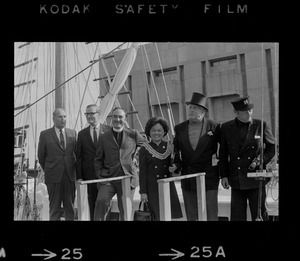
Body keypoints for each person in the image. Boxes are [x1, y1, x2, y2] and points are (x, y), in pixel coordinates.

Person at [219, 96, 275, 221]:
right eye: (245, 111)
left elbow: (272, 148)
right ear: (236, 113)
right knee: (237, 216)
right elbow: (223, 154)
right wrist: (224, 175)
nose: (249, 113)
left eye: (250, 110)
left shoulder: (261, 125)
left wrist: (261, 160)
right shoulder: (226, 128)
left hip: (256, 179)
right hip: (236, 179)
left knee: (259, 215)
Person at [173, 92, 220, 221]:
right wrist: (176, 165)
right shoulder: (179, 128)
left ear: (203, 111)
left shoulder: (214, 126)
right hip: (188, 176)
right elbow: (175, 150)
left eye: (196, 108)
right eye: (190, 107)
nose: (191, 110)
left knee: (211, 213)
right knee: (192, 214)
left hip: (209, 176)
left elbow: (224, 148)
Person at [94, 107, 145, 221]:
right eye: (115, 116)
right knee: (101, 202)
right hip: (108, 179)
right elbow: (98, 159)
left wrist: (136, 158)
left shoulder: (133, 134)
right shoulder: (103, 137)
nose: (117, 119)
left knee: (126, 209)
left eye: (120, 117)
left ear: (125, 118)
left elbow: (146, 147)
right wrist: (101, 176)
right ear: (111, 118)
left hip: (128, 178)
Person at [139, 117, 182, 220]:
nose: (156, 133)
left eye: (159, 130)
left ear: (164, 132)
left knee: (168, 214)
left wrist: (175, 167)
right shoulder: (144, 148)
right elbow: (142, 172)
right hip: (152, 188)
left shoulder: (170, 146)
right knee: (156, 216)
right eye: (153, 130)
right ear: (149, 132)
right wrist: (143, 192)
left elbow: (178, 162)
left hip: (167, 185)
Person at [37, 108, 77, 220]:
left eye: (65, 116)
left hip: (69, 177)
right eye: (60, 117)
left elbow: (76, 154)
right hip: (53, 177)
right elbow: (41, 156)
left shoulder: (73, 133)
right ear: (53, 118)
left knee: (70, 207)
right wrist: (50, 169)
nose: (63, 119)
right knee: (54, 208)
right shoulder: (45, 135)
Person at [76, 104, 110, 220]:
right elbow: (79, 157)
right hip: (89, 176)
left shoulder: (109, 131)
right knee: (92, 204)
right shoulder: (81, 134)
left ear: (99, 114)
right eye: (87, 114)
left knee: (106, 204)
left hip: (106, 176)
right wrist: (79, 177)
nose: (89, 116)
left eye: (92, 113)